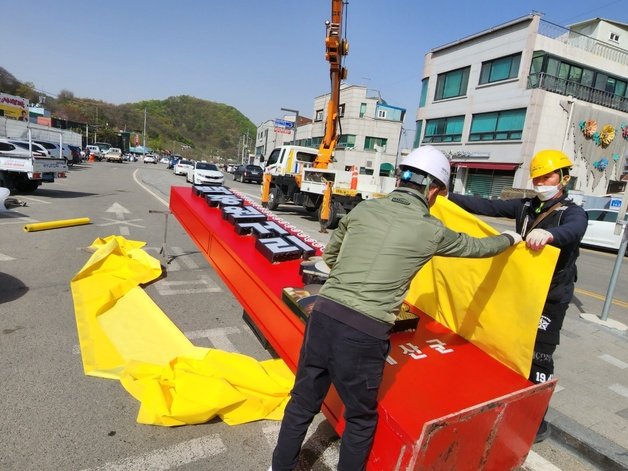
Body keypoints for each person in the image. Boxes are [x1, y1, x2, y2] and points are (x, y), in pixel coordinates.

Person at [270, 145, 523, 471]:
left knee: (303, 402)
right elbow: (477, 248)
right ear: (433, 189)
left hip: (324, 314)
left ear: (402, 177)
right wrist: (510, 240)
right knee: (360, 418)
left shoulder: (364, 209)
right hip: (364, 333)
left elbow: (331, 257)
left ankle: (279, 467)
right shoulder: (431, 230)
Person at [448, 149, 588, 443]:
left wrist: (550, 236)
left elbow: (575, 230)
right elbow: (486, 205)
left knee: (540, 355)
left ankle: (535, 419)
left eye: (547, 176)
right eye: (536, 177)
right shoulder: (526, 205)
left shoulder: (571, 211)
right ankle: (509, 400)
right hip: (523, 291)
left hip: (551, 296)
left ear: (563, 178)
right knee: (510, 346)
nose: (540, 182)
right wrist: (445, 197)